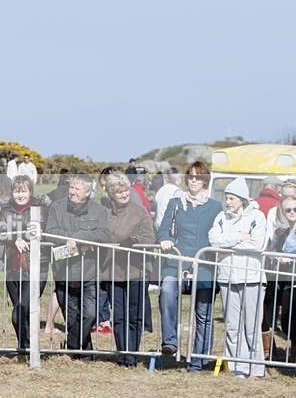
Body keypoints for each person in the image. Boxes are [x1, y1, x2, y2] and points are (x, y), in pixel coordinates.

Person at [157, 161, 223, 371]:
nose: (194, 180)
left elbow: (222, 232)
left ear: (205, 180)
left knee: (203, 313)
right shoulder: (176, 203)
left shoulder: (215, 207)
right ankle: (170, 342)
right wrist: (165, 239)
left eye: (199, 177)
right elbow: (163, 229)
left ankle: (198, 360)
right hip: (177, 263)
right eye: (191, 176)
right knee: (167, 288)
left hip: (204, 266)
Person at [45, 174, 112, 353]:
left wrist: (80, 238)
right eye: (71, 187)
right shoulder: (56, 207)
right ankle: (82, 350)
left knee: (90, 314)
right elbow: (49, 232)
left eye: (77, 189)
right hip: (63, 271)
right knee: (72, 316)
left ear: (88, 192)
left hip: (89, 271)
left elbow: (105, 234)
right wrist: (69, 240)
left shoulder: (99, 211)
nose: (72, 192)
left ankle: (72, 345)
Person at [208, 177, 267, 378]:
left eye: (232, 198)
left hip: (252, 277)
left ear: (242, 199)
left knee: (252, 325)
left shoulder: (257, 216)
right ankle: (235, 366)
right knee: (233, 325)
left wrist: (228, 245)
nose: (228, 202)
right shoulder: (220, 218)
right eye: (226, 197)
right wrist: (238, 238)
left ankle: (255, 367)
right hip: (227, 276)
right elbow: (214, 240)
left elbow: (257, 244)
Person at [102, 173, 156, 366]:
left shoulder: (139, 212)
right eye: (119, 191)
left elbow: (150, 238)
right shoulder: (105, 213)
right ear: (111, 194)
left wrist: (134, 241)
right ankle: (122, 352)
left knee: (134, 314)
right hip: (113, 270)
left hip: (136, 270)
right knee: (118, 315)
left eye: (125, 190)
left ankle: (132, 354)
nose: (124, 194)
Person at [0, 175, 49, 352]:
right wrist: (14, 239)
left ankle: (29, 346)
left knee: (22, 309)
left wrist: (23, 237)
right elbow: (0, 231)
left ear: (31, 192)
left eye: (24, 191)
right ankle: (24, 346)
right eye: (16, 191)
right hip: (13, 267)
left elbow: (44, 230)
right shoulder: (6, 210)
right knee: (20, 310)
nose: (20, 195)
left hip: (36, 266)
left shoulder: (41, 209)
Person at [263, 195, 296, 362]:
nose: (291, 212)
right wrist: (274, 256)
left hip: (293, 279)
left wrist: (291, 259)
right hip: (278, 278)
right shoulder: (281, 231)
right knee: (272, 314)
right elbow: (270, 249)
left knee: (289, 317)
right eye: (287, 209)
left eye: (294, 209)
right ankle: (269, 351)